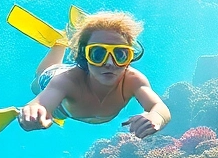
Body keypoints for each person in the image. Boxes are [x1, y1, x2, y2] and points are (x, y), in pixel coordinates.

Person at [18, 10, 170, 138]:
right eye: (98, 54)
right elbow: (40, 103)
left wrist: (155, 117)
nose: (109, 63)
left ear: (129, 58)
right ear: (84, 56)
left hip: (84, 74)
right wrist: (32, 112)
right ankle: (60, 43)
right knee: (36, 84)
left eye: (120, 54)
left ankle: (68, 43)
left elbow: (159, 106)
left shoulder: (133, 80)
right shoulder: (66, 81)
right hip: (54, 75)